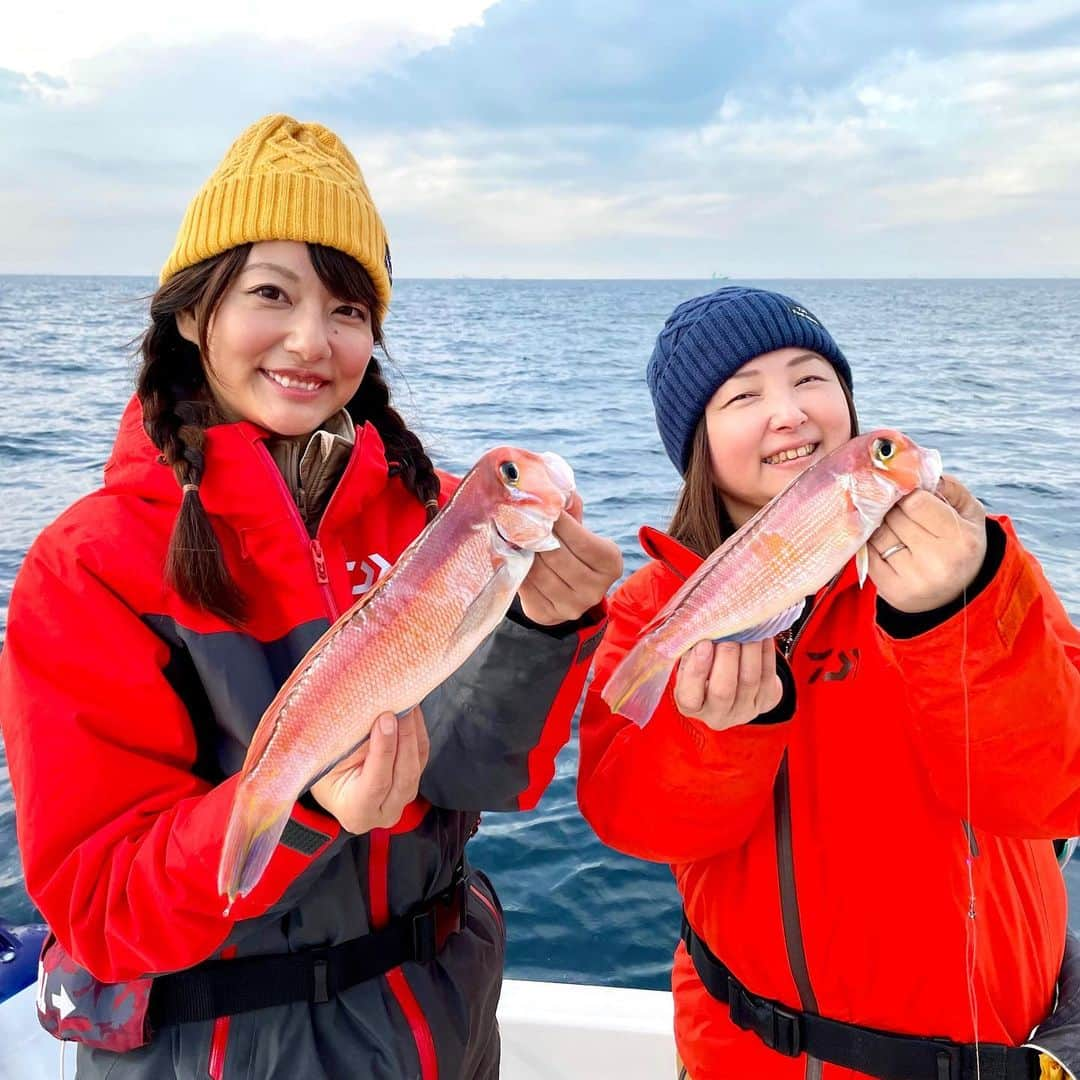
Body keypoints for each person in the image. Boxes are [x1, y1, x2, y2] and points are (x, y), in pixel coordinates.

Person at [0, 113, 622, 1079]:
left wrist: (542, 628)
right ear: (193, 314)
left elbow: (480, 777)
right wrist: (300, 808)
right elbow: (102, 907)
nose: (310, 340)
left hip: (438, 1027)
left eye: (346, 309)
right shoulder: (90, 563)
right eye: (270, 294)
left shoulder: (431, 519)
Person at [577, 286, 1080, 1080]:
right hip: (750, 1056)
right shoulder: (654, 609)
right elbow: (631, 820)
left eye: (811, 378)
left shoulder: (981, 560)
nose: (790, 412)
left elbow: (1058, 794)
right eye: (743, 395)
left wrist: (961, 609)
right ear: (698, 446)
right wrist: (719, 732)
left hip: (1004, 1047)